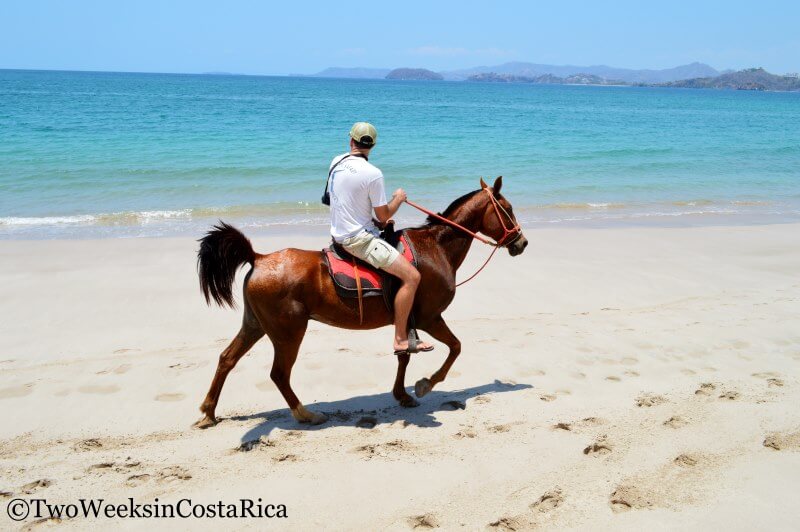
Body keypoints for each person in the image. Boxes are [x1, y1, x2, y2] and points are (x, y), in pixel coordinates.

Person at [327, 122, 433, 355]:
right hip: (358, 241)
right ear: (372, 146)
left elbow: (333, 199)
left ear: (350, 141)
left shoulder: (336, 161)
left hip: (338, 233)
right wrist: (398, 198)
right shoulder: (373, 174)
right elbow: (384, 214)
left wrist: (376, 223)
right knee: (412, 276)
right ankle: (400, 339)